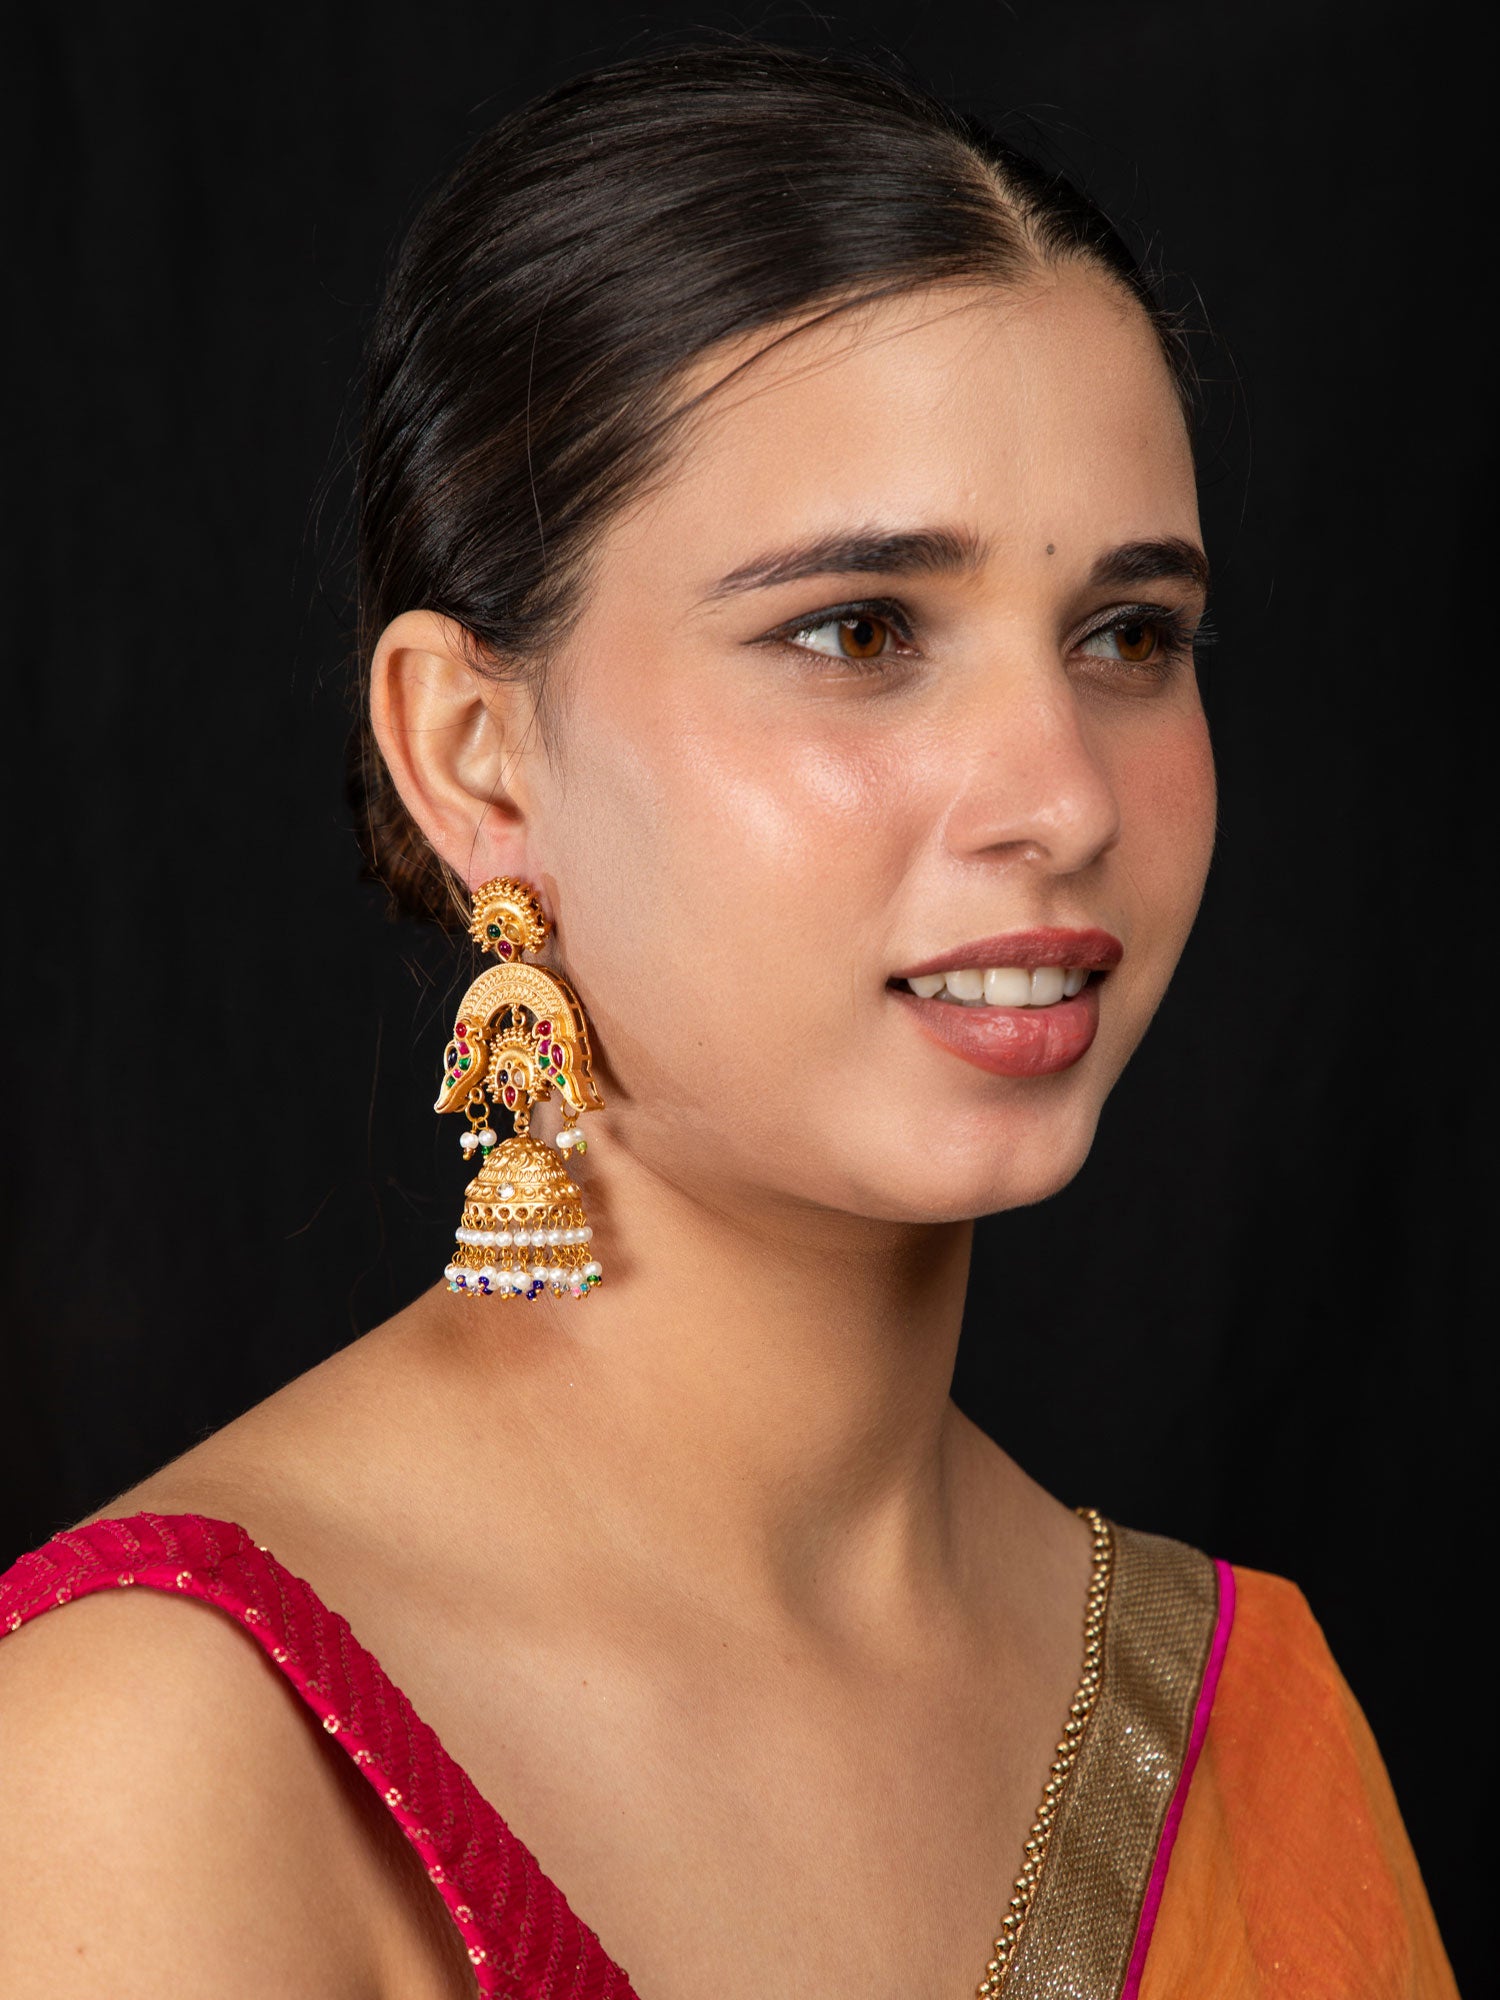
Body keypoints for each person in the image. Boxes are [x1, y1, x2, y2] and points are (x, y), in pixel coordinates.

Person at [0, 39, 1456, 2000]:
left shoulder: (1238, 1720)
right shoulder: (164, 1752)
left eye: (1130, 634)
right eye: (859, 629)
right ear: (474, 749)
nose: (1063, 795)